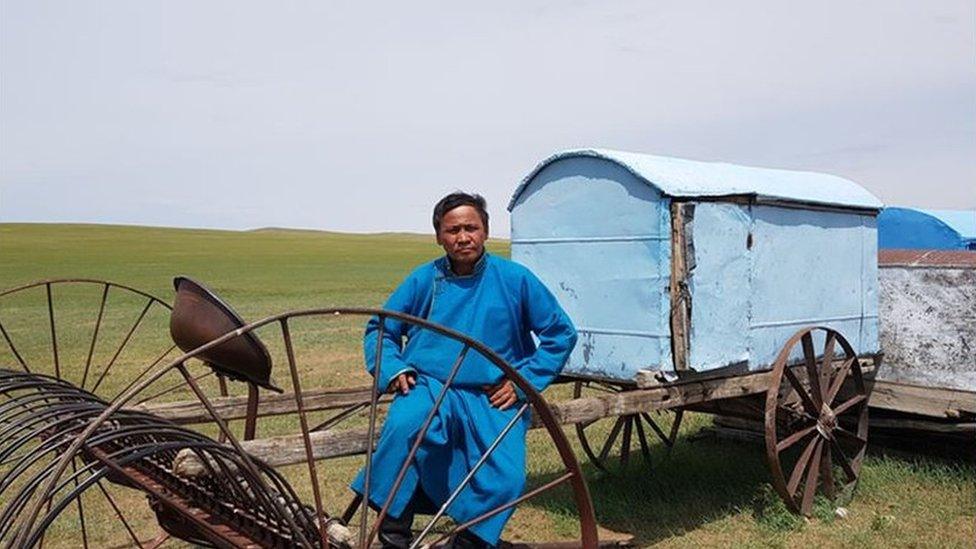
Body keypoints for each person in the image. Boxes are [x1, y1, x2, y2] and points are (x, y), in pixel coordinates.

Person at [350, 192, 577, 548]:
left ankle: (468, 542)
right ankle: (394, 536)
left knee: (507, 478)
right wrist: (393, 368)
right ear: (439, 236)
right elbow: (381, 329)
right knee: (405, 430)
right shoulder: (424, 279)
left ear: (485, 231)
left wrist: (523, 382)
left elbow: (560, 333)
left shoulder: (515, 279)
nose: (463, 236)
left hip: (491, 396)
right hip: (429, 386)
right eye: (452, 229)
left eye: (471, 227)